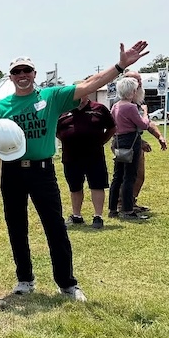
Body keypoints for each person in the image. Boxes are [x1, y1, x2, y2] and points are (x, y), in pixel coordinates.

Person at [0, 43, 149, 302]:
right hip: (12, 172)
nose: (22, 75)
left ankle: (67, 283)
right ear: (11, 76)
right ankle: (25, 279)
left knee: (55, 226)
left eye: (27, 70)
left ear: (34, 74)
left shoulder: (50, 97)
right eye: (17, 71)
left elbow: (89, 86)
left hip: (41, 171)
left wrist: (120, 66)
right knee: (16, 227)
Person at [55, 79, 115, 229]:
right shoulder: (63, 111)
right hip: (71, 156)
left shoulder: (99, 109)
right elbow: (56, 131)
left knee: (97, 185)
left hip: (94, 155)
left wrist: (102, 140)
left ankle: (98, 216)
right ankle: (77, 215)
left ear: (87, 92)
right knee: (75, 187)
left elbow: (112, 127)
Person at [107, 76, 167, 220]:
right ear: (132, 91)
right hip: (130, 141)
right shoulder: (131, 107)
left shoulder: (116, 106)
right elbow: (143, 124)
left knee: (117, 176)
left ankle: (112, 209)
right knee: (129, 176)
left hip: (118, 141)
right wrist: (145, 112)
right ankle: (128, 210)